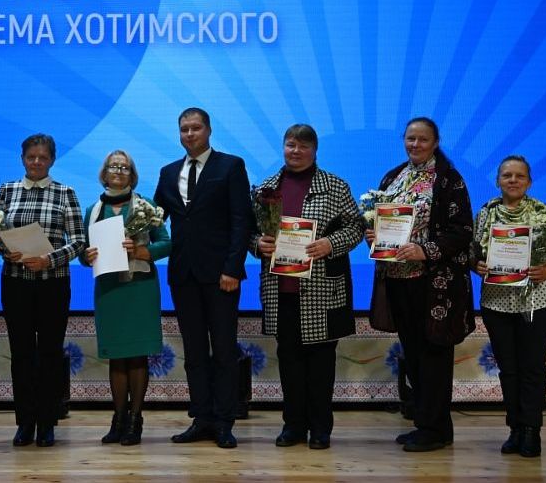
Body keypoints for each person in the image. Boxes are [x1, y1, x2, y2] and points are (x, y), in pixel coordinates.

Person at [251, 124, 364, 450]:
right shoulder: (266, 188)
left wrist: (330, 243)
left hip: (321, 292)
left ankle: (321, 428)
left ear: (314, 150)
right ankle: (293, 426)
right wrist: (258, 244)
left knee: (320, 365)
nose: (296, 151)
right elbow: (249, 232)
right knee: (289, 363)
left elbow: (357, 227)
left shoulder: (335, 186)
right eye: (290, 145)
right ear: (283, 147)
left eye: (303, 146)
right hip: (280, 290)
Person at [367, 117, 475, 452]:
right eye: (410, 138)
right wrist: (374, 236)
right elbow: (381, 220)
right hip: (398, 280)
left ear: (436, 142)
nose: (415, 144)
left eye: (423, 139)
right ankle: (427, 424)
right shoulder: (393, 177)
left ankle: (435, 428)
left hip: (435, 285)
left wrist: (425, 250)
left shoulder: (449, 179)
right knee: (413, 355)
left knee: (434, 356)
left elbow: (462, 232)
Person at [153, 107, 253, 449]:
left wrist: (233, 268)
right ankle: (201, 417)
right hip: (183, 275)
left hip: (222, 275)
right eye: (184, 129)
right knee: (194, 351)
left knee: (224, 350)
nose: (190, 134)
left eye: (195, 128)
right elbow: (152, 220)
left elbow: (241, 220)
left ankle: (224, 421)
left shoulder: (231, 166)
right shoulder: (168, 172)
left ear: (208, 130)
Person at [472, 155, 546, 458]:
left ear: (529, 181)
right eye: (507, 175)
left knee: (532, 368)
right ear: (498, 181)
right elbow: (471, 251)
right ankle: (515, 428)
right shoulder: (486, 213)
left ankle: (532, 430)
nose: (513, 180)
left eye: (519, 176)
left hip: (537, 303)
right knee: (508, 369)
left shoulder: (545, 213)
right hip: (496, 303)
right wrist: (476, 265)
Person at [0, 134, 85, 447]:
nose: (36, 162)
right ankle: (25, 422)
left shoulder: (65, 192)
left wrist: (48, 259)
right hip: (15, 282)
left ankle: (47, 422)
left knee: (50, 353)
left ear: (52, 160)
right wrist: (4, 250)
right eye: (31, 157)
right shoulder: (7, 190)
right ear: (22, 158)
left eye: (43, 157)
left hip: (53, 283)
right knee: (21, 354)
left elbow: (79, 241)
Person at [80, 150, 171, 446]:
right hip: (109, 290)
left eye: (124, 167)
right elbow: (83, 252)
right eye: (113, 166)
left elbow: (166, 243)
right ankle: (118, 420)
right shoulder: (93, 210)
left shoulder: (146, 206)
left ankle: (135, 421)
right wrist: (86, 256)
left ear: (132, 174)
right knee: (117, 357)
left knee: (137, 355)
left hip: (140, 287)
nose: (118, 171)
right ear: (104, 173)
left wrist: (144, 251)